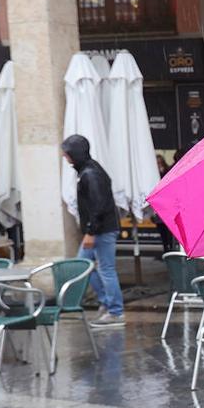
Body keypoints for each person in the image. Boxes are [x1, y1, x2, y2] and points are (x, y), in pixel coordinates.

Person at [61, 135, 123, 323]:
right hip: (100, 228)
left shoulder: (90, 174)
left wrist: (91, 232)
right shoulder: (89, 170)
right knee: (84, 266)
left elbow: (98, 206)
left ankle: (115, 311)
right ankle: (107, 303)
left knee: (104, 269)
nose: (65, 157)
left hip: (101, 230)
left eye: (67, 153)